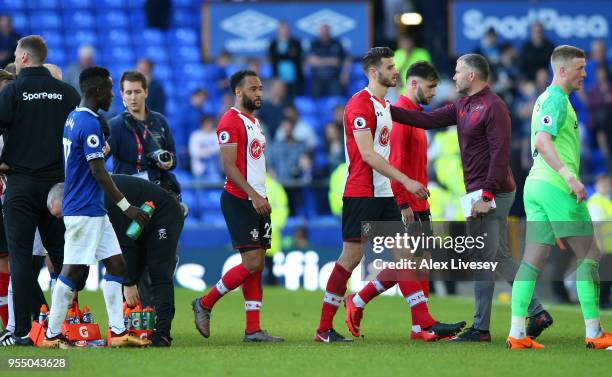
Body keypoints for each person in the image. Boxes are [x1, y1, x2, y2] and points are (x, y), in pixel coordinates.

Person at [390, 53, 551, 342]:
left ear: (472, 76)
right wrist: (385, 109)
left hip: (493, 191)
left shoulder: (494, 107)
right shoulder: (464, 105)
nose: (453, 77)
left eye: (457, 71)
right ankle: (536, 311)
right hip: (478, 192)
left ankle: (480, 329)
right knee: (497, 255)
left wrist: (486, 195)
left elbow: (500, 156)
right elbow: (425, 120)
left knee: (481, 257)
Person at [343, 61, 465, 341]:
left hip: (418, 201)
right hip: (405, 201)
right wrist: (402, 203)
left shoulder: (415, 116)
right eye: (431, 87)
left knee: (418, 265)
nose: (434, 93)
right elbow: (393, 162)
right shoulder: (400, 119)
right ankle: (361, 302)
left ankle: (417, 327)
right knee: (408, 263)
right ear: (414, 84)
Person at [314, 47, 429, 343]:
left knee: (406, 257)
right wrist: (407, 181)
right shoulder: (359, 105)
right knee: (351, 258)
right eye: (390, 67)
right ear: (374, 72)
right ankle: (324, 328)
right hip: (362, 193)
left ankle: (424, 324)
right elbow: (367, 154)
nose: (396, 71)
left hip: (384, 193)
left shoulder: (384, 105)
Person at [507, 45, 612, 350]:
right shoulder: (555, 99)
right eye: (580, 68)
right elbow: (542, 139)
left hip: (535, 186)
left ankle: (517, 333)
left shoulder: (544, 99)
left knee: (532, 261)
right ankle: (594, 333)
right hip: (556, 187)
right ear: (562, 69)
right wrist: (569, 176)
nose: (585, 73)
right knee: (591, 255)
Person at [39, 66, 151, 348]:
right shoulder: (88, 123)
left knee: (116, 263)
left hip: (93, 210)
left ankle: (117, 332)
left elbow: (85, 158)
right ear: (95, 91)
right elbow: (99, 172)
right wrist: (126, 206)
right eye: (110, 89)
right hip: (83, 209)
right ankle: (52, 334)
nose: (113, 95)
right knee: (73, 271)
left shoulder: (74, 118)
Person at [192, 70, 284, 343]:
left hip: (258, 199)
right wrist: (254, 196)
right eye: (253, 89)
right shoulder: (230, 121)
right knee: (252, 261)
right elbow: (228, 166)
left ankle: (253, 329)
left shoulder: (253, 122)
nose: (259, 93)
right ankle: (205, 303)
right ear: (238, 92)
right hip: (240, 200)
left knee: (258, 265)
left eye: (260, 88)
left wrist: (261, 196)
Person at [0, 35, 80, 347]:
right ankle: (66, 327)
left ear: (22, 58)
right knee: (62, 256)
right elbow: (93, 132)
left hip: (20, 185)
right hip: (59, 188)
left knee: (20, 257)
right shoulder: (67, 93)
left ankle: (22, 332)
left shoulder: (13, 91)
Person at [47, 174, 184, 347]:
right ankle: (131, 329)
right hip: (137, 225)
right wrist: (74, 285)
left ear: (69, 199)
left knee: (159, 273)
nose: (63, 219)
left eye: (63, 213)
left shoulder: (100, 200)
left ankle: (163, 333)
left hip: (162, 214)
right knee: (128, 275)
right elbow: (86, 254)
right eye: (58, 217)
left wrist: (129, 283)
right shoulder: (87, 203)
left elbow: (123, 244)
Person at [107, 71, 180, 199]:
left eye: (137, 92)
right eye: (128, 92)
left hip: (156, 191)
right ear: (122, 95)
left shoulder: (160, 121)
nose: (133, 97)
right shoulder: (114, 125)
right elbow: (99, 160)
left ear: (146, 92)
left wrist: (168, 162)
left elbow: (173, 159)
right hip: (126, 194)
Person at [307, 24, 346, 98]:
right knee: (314, 99)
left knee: (338, 98)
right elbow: (312, 61)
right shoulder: (314, 44)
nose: (324, 34)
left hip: (333, 77)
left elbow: (337, 62)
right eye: (323, 32)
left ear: (330, 32)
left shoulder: (336, 44)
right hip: (317, 77)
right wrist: (329, 61)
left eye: (326, 31)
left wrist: (319, 61)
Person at [268, 21, 303, 98]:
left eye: (286, 29)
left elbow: (297, 57)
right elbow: (273, 58)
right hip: (279, 78)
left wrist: (280, 55)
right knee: (280, 99)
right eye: (282, 29)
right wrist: (288, 54)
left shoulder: (296, 42)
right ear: (278, 31)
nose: (284, 32)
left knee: (294, 99)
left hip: (294, 78)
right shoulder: (273, 43)